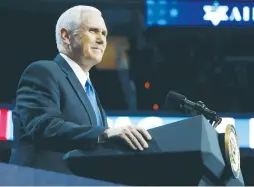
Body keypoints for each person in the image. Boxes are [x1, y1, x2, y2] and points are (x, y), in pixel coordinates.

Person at [9, 5, 152, 174]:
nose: (101, 39)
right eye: (93, 31)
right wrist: (105, 133)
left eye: (104, 33)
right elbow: (44, 127)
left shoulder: (90, 91)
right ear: (66, 36)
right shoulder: (43, 72)